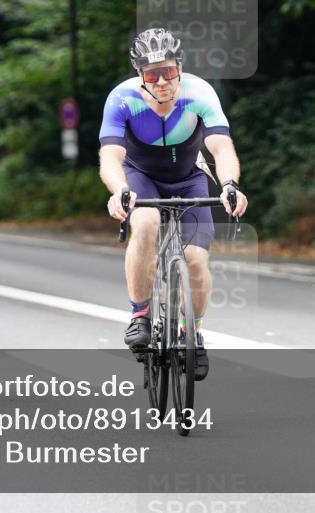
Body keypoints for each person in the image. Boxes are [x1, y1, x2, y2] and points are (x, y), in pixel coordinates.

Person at [99, 28, 248, 381]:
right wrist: (119, 190)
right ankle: (140, 315)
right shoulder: (122, 98)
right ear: (140, 74)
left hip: (189, 176)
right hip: (140, 177)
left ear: (179, 67)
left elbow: (221, 148)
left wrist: (229, 184)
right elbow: (110, 156)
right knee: (146, 223)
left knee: (196, 260)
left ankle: (192, 332)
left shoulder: (199, 93)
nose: (162, 81)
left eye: (168, 71)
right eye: (153, 75)